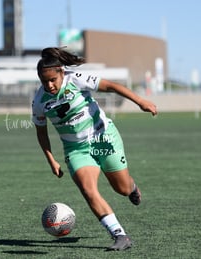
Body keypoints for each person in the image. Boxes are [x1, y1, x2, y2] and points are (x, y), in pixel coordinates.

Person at [32, 47, 157, 251]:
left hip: (103, 138)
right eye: (44, 81)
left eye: (52, 79)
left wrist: (141, 101)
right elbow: (41, 132)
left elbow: (112, 86)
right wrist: (51, 159)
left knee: (122, 188)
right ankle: (120, 235)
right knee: (88, 190)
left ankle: (132, 188)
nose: (49, 85)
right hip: (76, 149)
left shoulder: (76, 79)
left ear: (62, 72)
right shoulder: (39, 101)